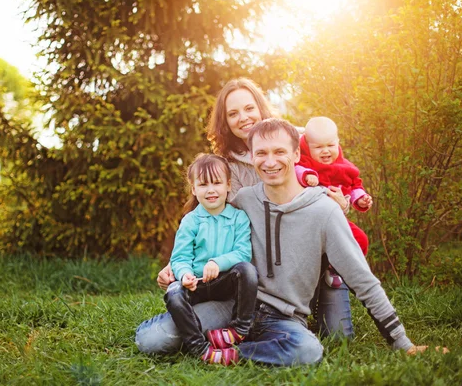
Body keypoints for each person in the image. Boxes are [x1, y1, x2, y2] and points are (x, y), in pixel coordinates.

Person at [135, 79, 352, 357]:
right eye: (233, 113)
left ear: (261, 109)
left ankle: (294, 316)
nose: (243, 118)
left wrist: (341, 202)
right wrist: (179, 262)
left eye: (249, 108)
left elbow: (337, 173)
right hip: (243, 287)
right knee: (153, 341)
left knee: (338, 339)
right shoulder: (225, 166)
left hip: (299, 277)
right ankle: (227, 342)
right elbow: (209, 216)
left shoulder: (295, 140)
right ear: (224, 121)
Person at [224, 118, 425, 365]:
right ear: (252, 157)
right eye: (261, 153)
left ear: (297, 154)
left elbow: (363, 280)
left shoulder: (324, 210)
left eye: (279, 152)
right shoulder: (244, 199)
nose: (270, 161)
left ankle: (224, 353)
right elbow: (209, 231)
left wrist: (402, 343)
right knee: (162, 338)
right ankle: (213, 338)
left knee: (307, 352)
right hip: (235, 308)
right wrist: (178, 268)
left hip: (283, 319)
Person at [164, 153, 258, 365]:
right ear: (194, 189)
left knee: (247, 270)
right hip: (196, 285)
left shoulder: (238, 218)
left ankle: (240, 329)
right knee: (173, 293)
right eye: (203, 184)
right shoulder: (190, 221)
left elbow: (243, 253)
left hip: (226, 284)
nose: (211, 190)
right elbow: (179, 257)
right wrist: (184, 274)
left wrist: (218, 263)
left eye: (217, 183)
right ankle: (200, 348)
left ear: (228, 186)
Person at [298, 116, 372, 289]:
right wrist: (307, 175)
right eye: (318, 147)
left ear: (337, 142)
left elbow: (354, 185)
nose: (325, 151)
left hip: (337, 220)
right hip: (310, 222)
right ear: (307, 146)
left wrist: (360, 199)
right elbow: (297, 169)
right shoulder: (305, 162)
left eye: (330, 145)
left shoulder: (345, 166)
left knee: (360, 240)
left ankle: (336, 268)